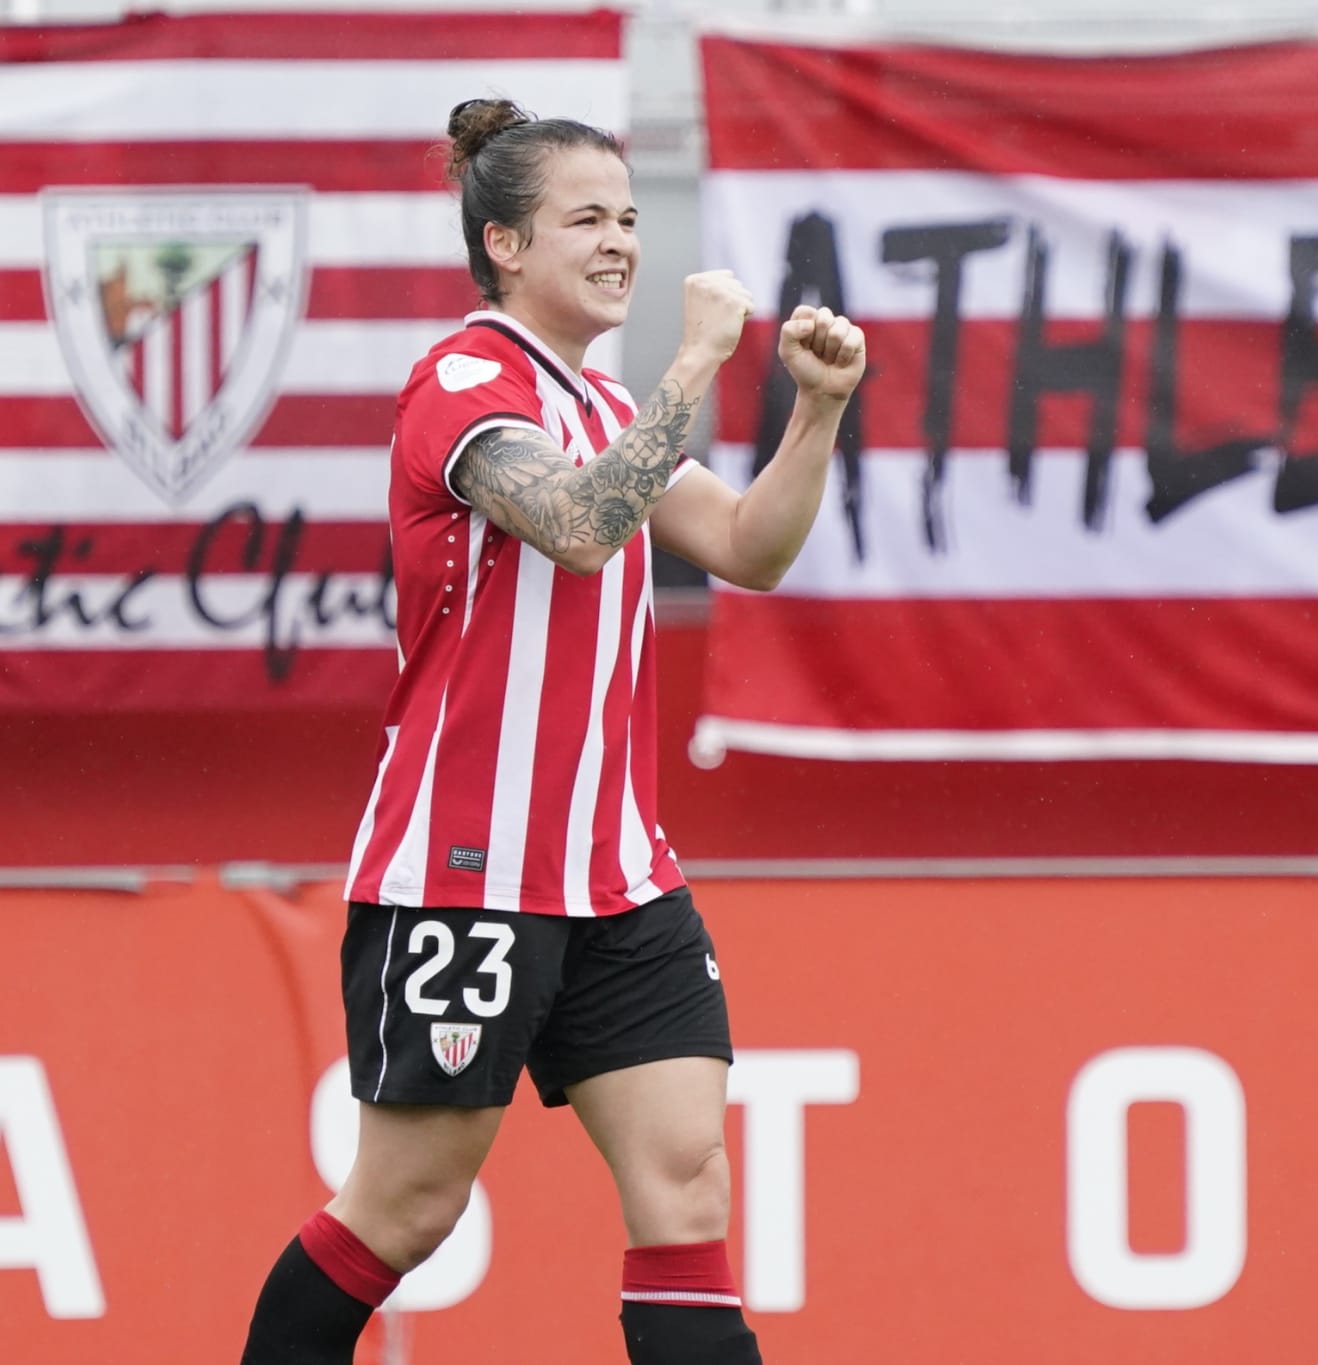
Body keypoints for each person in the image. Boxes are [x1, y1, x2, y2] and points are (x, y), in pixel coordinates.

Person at [238, 97, 865, 1365]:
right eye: (585, 218)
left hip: (619, 873)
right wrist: (693, 365)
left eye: (630, 217)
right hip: (464, 870)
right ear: (503, 243)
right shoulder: (463, 382)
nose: (621, 241)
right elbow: (580, 527)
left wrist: (817, 409)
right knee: (407, 1209)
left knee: (687, 1188)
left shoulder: (596, 400)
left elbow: (746, 548)